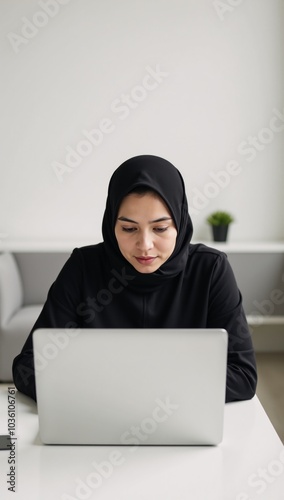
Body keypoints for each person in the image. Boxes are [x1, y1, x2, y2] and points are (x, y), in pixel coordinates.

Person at [12, 155, 257, 402]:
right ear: (111, 225)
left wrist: (138, 392)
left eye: (160, 228)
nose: (145, 245)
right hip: (98, 414)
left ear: (179, 223)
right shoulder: (83, 267)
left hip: (173, 416)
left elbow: (243, 375)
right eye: (129, 229)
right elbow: (28, 367)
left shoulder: (211, 268)